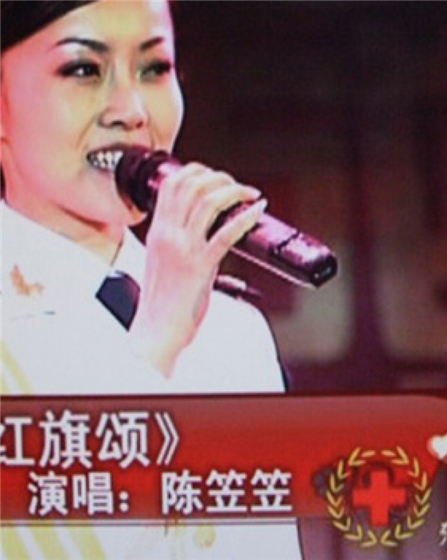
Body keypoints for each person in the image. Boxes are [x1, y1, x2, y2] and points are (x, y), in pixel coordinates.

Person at [0, 1, 301, 558]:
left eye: (154, 68)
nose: (133, 111)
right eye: (84, 69)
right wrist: (154, 342)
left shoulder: (233, 333)